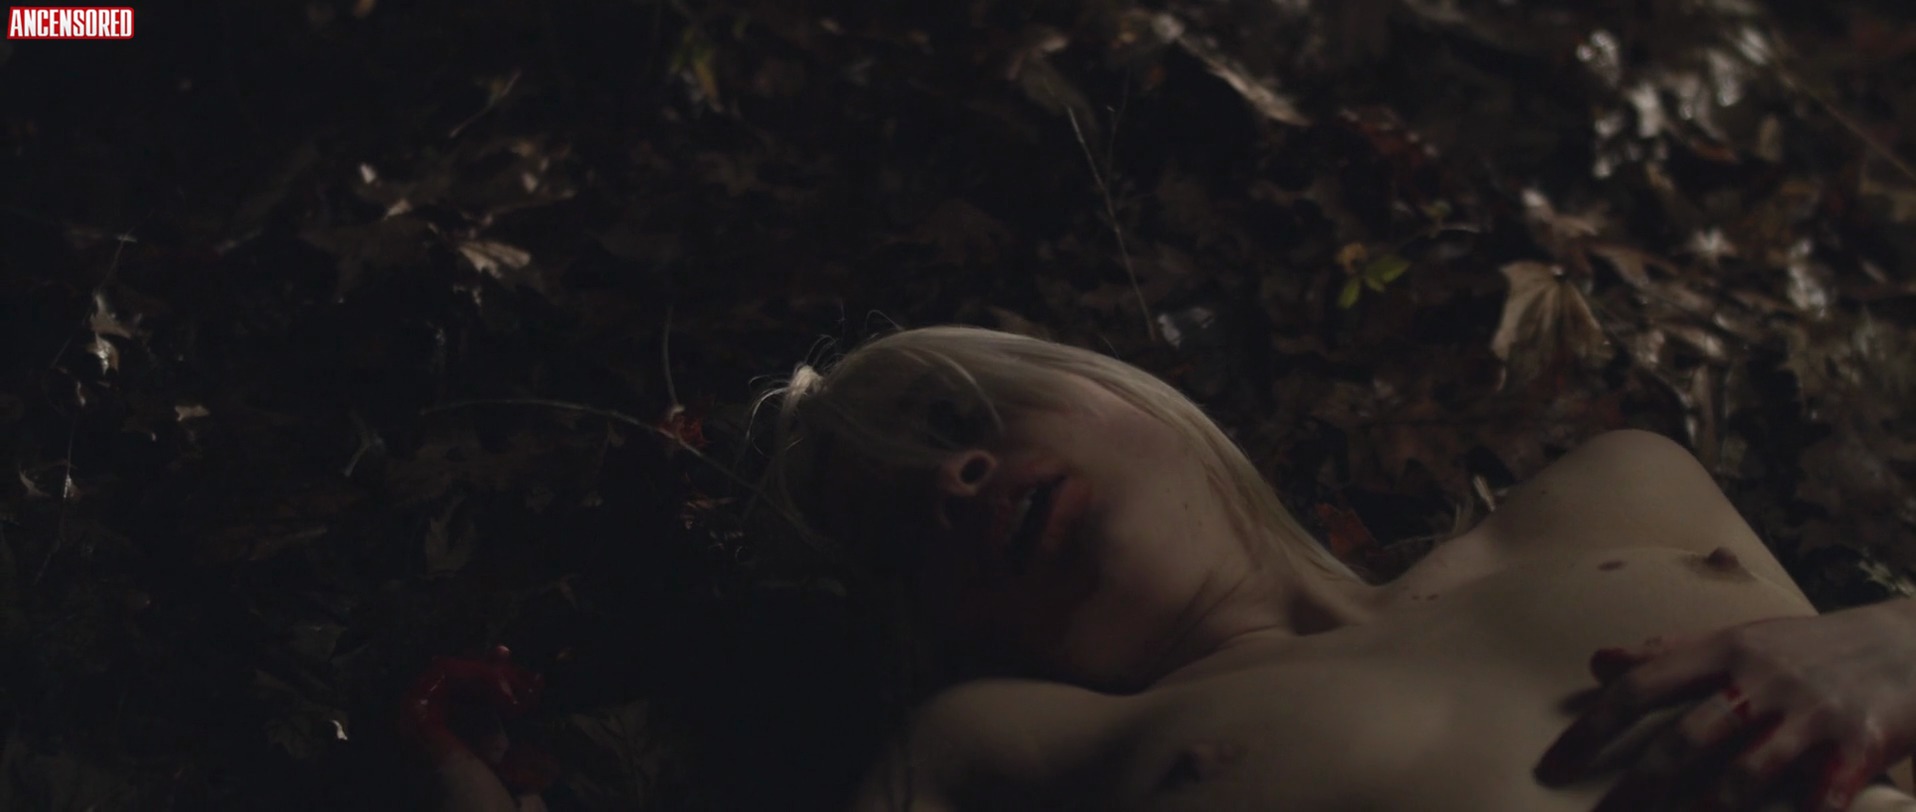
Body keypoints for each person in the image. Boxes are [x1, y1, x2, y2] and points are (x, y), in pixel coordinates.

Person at [417, 326, 1916, 811]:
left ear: (1118, 388)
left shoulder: (1621, 487)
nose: (954, 480)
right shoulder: (1000, 744)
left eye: (967, 421)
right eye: (901, 525)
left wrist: (1889, 646)